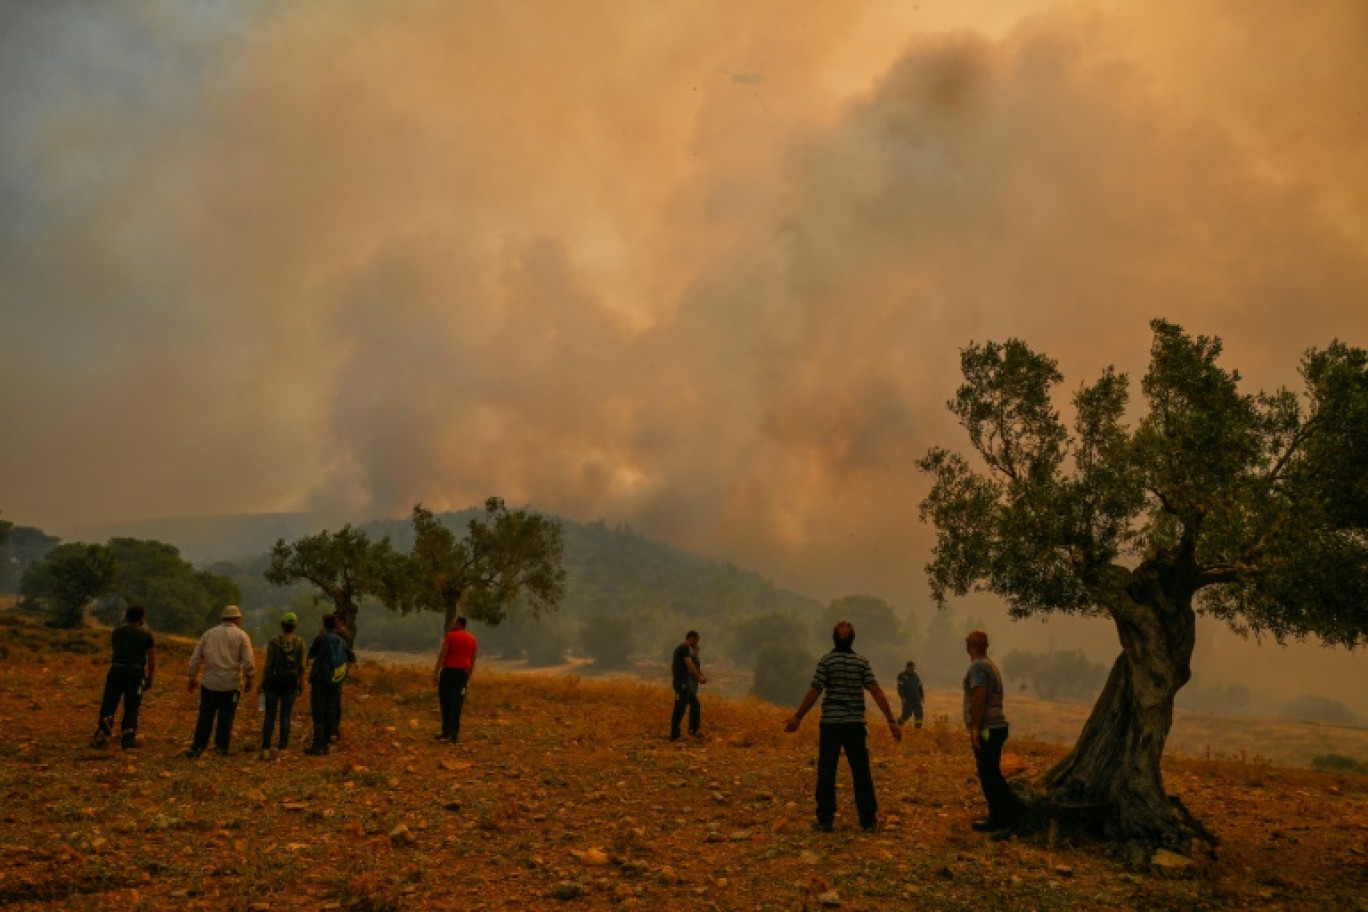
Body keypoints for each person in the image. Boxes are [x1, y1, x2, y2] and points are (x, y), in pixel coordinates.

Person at [785, 620, 901, 832]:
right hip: (856, 724)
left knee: (827, 771)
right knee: (861, 771)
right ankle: (868, 820)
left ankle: (825, 819)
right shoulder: (861, 662)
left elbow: (815, 690)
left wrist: (797, 717)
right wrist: (891, 720)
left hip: (830, 724)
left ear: (834, 640)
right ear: (853, 640)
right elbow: (876, 691)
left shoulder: (827, 662)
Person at [963, 628, 1020, 834]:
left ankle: (1001, 820)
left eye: (967, 641)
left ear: (971, 645)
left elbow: (979, 696)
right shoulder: (990, 665)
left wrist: (976, 728)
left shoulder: (977, 667)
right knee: (992, 773)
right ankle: (1002, 817)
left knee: (989, 775)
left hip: (988, 729)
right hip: (997, 727)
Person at [186, 605, 255, 758]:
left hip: (210, 683)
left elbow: (195, 658)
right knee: (226, 718)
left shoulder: (209, 634)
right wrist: (250, 678)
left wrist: (192, 677)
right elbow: (248, 661)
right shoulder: (242, 636)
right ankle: (221, 748)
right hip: (231, 684)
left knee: (205, 717)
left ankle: (198, 747)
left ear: (223, 618)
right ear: (237, 619)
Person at [92, 604, 156, 749]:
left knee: (109, 702)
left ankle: (103, 733)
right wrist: (150, 678)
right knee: (132, 706)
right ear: (142, 618)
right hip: (136, 674)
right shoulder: (147, 635)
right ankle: (128, 737)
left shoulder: (117, 632)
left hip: (116, 670)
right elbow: (152, 658)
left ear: (127, 617)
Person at [259, 611, 306, 760]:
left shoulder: (274, 641)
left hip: (273, 683)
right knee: (286, 716)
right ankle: (282, 748)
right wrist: (301, 683)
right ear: (295, 626)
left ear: (282, 626)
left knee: (270, 716)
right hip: (290, 684)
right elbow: (302, 666)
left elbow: (268, 665)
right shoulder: (300, 643)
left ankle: (265, 748)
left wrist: (262, 683)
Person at [304, 614, 349, 755]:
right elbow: (351, 657)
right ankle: (327, 743)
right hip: (335, 680)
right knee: (331, 710)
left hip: (320, 679)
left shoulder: (320, 638)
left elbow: (311, 654)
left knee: (318, 711)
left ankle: (318, 744)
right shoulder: (341, 641)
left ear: (324, 625)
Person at [432, 615, 478, 742]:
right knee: (457, 703)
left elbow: (443, 654)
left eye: (454, 623)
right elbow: (473, 659)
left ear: (459, 624)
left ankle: (446, 731)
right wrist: (468, 675)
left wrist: (436, 673)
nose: (452, 625)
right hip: (462, 675)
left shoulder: (450, 636)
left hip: (448, 672)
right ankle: (454, 733)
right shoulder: (472, 639)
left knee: (445, 701)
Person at [669, 630, 706, 741]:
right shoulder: (685, 648)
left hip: (681, 682)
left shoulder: (680, 649)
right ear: (692, 638)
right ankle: (675, 734)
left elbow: (673, 666)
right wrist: (699, 677)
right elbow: (689, 663)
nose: (697, 643)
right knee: (680, 707)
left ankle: (692, 731)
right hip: (682, 684)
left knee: (695, 705)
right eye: (697, 640)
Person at [329, 613, 357, 742]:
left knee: (334, 701)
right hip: (339, 670)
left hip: (337, 670)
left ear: (341, 621)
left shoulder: (342, 636)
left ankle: (333, 729)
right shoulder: (345, 635)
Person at [896, 660, 925, 729]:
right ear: (907, 667)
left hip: (917, 699)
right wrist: (902, 698)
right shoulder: (901, 676)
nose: (913, 670)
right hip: (907, 700)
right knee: (906, 715)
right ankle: (897, 726)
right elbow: (899, 688)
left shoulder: (916, 676)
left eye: (913, 669)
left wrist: (922, 697)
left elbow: (920, 687)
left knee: (919, 715)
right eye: (911, 668)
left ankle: (917, 731)